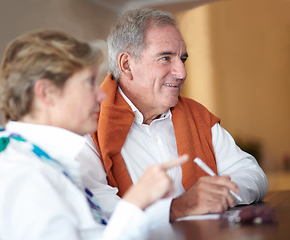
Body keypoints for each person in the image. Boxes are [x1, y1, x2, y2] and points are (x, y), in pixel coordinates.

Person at [0, 30, 188, 240]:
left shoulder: (44, 160)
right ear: (46, 92)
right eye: (89, 82)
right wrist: (134, 204)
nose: (101, 94)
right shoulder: (25, 177)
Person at [81, 8, 268, 223]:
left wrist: (220, 194)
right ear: (127, 65)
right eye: (165, 58)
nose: (182, 72)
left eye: (183, 58)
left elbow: (252, 174)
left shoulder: (197, 115)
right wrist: (177, 208)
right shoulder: (88, 123)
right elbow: (98, 207)